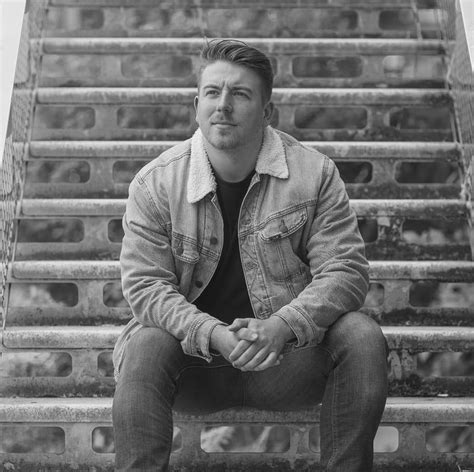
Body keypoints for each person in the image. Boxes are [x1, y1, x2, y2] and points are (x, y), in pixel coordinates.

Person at [112, 38, 388, 471]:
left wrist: (282, 326)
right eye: (212, 92)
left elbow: (346, 271)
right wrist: (214, 334)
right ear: (197, 106)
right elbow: (145, 288)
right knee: (145, 342)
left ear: (267, 110)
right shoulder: (155, 185)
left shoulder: (313, 174)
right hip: (194, 367)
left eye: (240, 94)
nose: (223, 105)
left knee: (361, 334)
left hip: (282, 363)